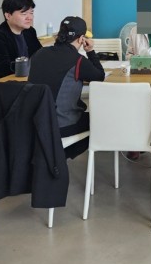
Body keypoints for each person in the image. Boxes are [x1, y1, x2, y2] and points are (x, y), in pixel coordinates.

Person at [27, 16, 105, 159]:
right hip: (61, 125)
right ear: (81, 39)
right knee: (101, 121)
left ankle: (53, 156)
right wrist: (90, 51)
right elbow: (100, 76)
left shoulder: (39, 53)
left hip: (34, 122)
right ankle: (60, 156)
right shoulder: (78, 60)